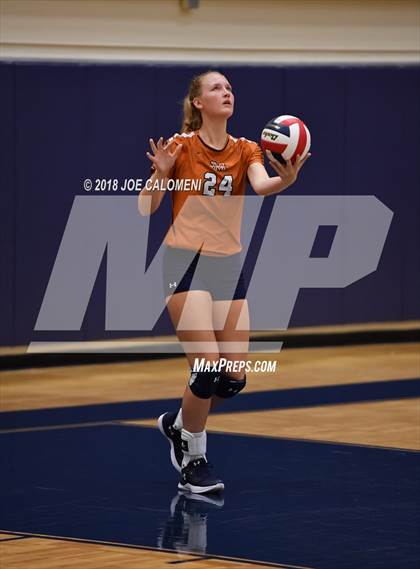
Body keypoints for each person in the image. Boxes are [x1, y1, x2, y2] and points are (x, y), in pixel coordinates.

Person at [138, 70, 309, 494]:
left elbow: (261, 184)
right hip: (186, 260)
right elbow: (145, 207)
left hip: (227, 265)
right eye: (216, 88)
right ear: (198, 102)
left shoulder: (247, 148)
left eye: (230, 87)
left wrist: (286, 179)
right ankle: (193, 459)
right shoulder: (180, 146)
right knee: (207, 366)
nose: (226, 92)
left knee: (232, 379)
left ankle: (179, 424)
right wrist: (161, 173)